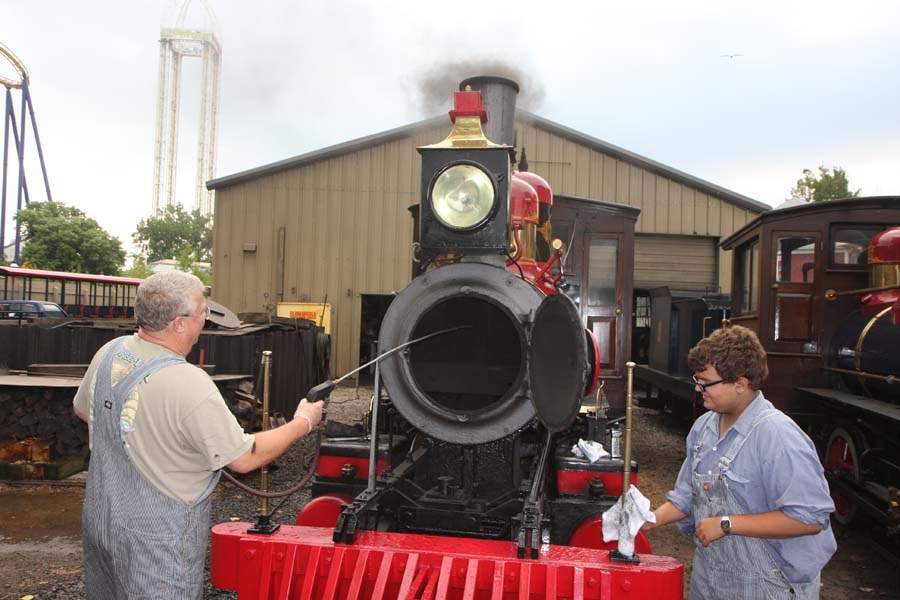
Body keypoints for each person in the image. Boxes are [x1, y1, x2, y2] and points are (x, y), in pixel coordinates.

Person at [73, 271, 324, 599]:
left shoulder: (110, 352)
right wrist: (303, 421)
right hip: (157, 542)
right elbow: (245, 458)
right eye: (202, 312)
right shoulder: (187, 381)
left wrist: (147, 434)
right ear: (179, 323)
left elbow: (84, 410)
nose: (206, 319)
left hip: (102, 521)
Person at [644, 325, 836, 599]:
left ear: (740, 384)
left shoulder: (778, 437)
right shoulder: (704, 428)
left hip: (769, 585)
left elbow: (809, 519)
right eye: (696, 380)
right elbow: (688, 495)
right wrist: (650, 519)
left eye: (706, 382)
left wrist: (726, 524)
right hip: (711, 580)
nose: (698, 389)